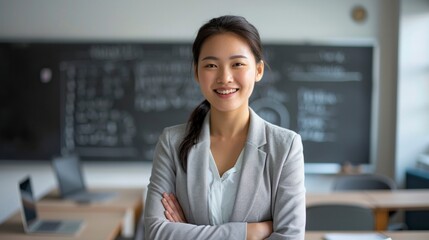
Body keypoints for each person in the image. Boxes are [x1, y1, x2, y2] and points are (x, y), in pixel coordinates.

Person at [143, 15, 305, 240]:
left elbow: (289, 237)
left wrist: (187, 231)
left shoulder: (285, 146)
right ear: (196, 72)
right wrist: (249, 233)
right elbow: (156, 233)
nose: (225, 77)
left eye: (237, 64)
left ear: (258, 70)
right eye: (211, 65)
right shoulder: (172, 141)